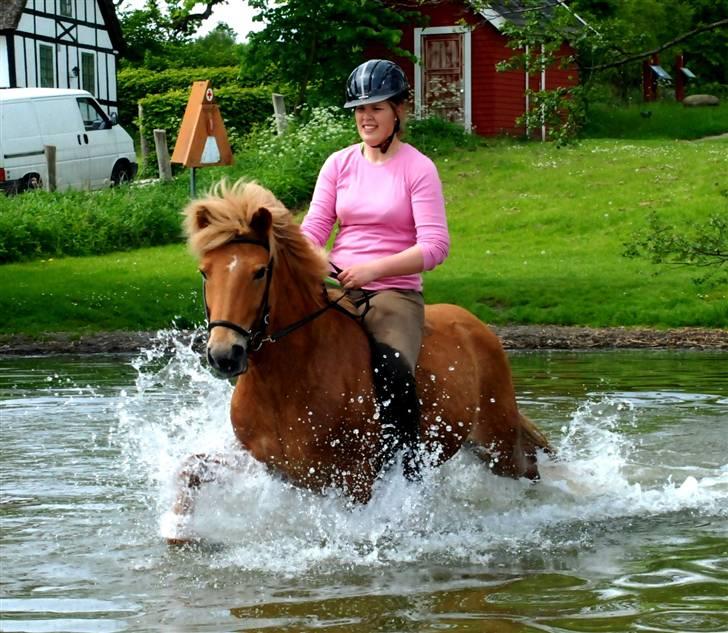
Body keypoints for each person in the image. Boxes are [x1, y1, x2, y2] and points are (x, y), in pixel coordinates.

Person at [300, 59, 450, 477]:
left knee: (391, 370)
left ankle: (405, 472)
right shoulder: (338, 163)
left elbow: (436, 246)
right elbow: (314, 228)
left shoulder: (418, 168)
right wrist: (301, 258)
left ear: (400, 110)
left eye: (377, 107)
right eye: (360, 109)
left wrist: (372, 270)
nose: (366, 117)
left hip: (395, 294)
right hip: (337, 287)